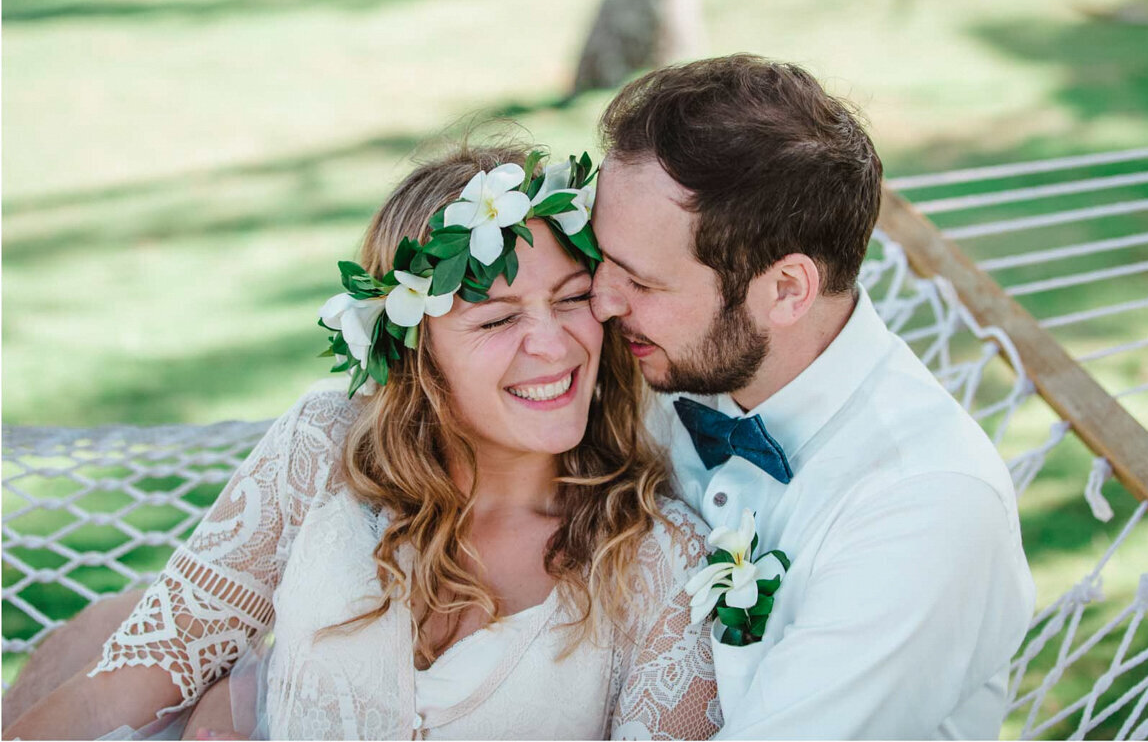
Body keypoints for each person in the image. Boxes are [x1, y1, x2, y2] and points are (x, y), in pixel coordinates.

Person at [5, 142, 722, 741]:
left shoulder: (660, 565)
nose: (552, 341)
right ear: (418, 350)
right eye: (496, 318)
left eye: (571, 298)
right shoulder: (324, 452)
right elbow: (113, 698)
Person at [588, 54, 1037, 739]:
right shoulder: (667, 364)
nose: (599, 301)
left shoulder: (926, 505)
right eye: (601, 262)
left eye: (642, 282)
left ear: (788, 290)